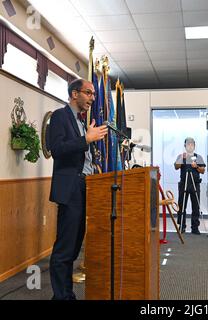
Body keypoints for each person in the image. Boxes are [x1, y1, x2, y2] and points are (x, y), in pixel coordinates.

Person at [49, 79, 108, 300]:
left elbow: (82, 155)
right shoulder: (60, 116)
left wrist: (88, 138)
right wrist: (86, 139)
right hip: (70, 188)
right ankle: (61, 297)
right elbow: (56, 149)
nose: (93, 98)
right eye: (89, 93)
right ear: (75, 94)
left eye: (93, 93)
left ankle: (66, 294)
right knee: (65, 247)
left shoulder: (83, 121)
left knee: (75, 245)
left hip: (86, 187)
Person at [174, 137, 206, 234]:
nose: (190, 146)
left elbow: (203, 170)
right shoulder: (181, 156)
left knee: (195, 206)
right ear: (185, 146)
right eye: (188, 144)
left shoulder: (198, 157)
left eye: (192, 144)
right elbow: (176, 167)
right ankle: (182, 226)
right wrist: (182, 159)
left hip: (195, 184)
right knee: (181, 205)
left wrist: (196, 166)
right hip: (184, 184)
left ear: (194, 146)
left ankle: (195, 227)